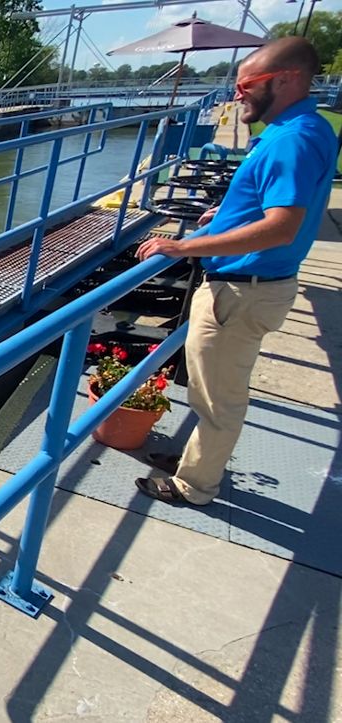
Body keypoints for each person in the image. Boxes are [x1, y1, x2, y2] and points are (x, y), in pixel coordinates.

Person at [132, 37, 337, 505]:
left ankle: (194, 486)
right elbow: (274, 203)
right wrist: (226, 216)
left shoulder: (293, 139)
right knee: (211, 389)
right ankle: (196, 461)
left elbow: (282, 226)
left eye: (246, 83)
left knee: (219, 398)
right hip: (249, 285)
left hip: (243, 290)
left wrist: (185, 245)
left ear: (286, 80)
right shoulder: (306, 127)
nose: (237, 93)